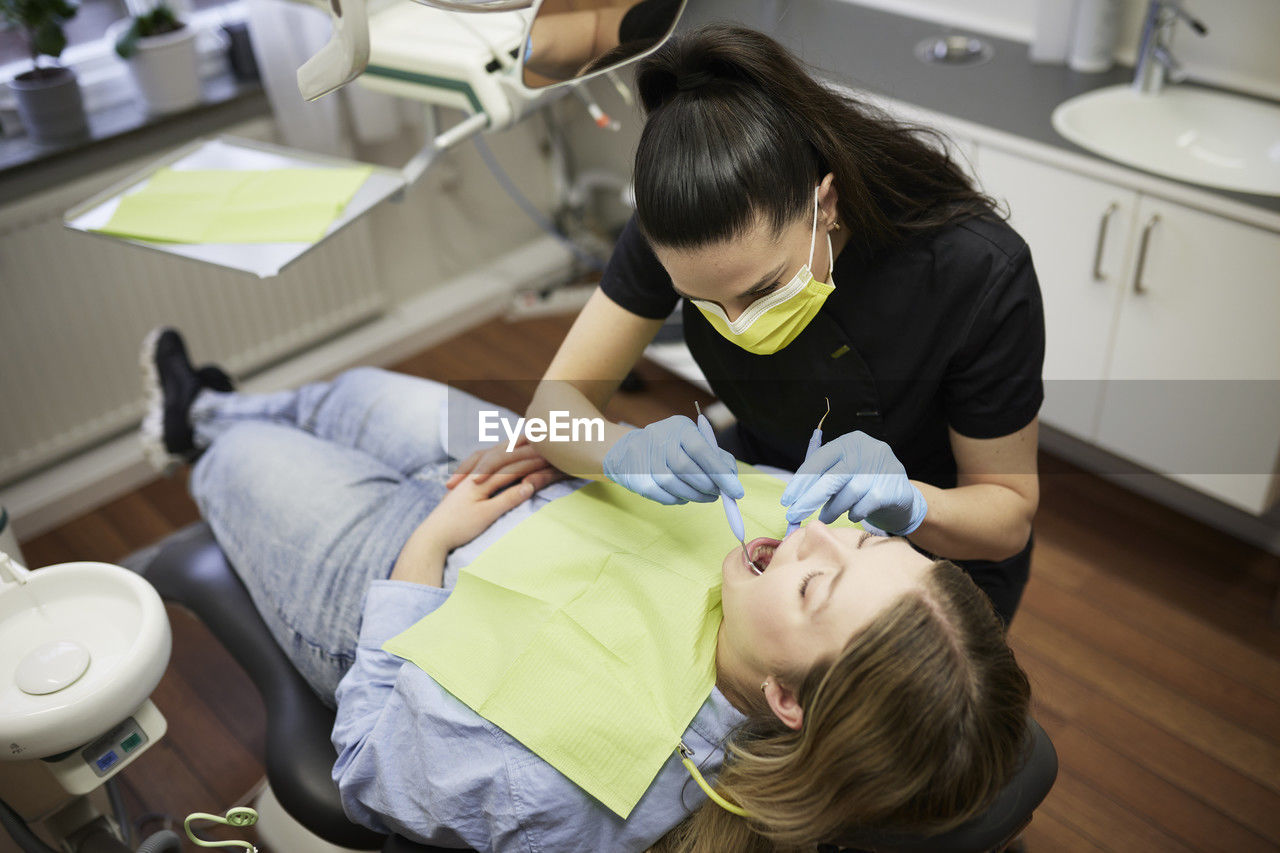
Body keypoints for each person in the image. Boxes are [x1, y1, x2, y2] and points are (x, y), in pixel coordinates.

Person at [139, 328, 1030, 853]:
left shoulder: (579, 789)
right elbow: (554, 415)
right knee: (352, 391)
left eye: (819, 582)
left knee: (241, 462)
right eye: (867, 534)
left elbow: (369, 757)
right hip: (524, 473)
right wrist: (606, 443)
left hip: (401, 562)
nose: (811, 532)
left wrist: (429, 543)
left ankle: (199, 429)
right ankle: (219, 403)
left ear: (787, 698)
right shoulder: (787, 537)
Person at [514, 24, 1045, 625]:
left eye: (763, 289)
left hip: (940, 540)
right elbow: (552, 412)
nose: (738, 325)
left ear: (826, 203)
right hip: (770, 490)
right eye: (703, 302)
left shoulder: (975, 271)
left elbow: (1006, 518)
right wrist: (621, 450)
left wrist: (912, 505)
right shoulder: (680, 234)